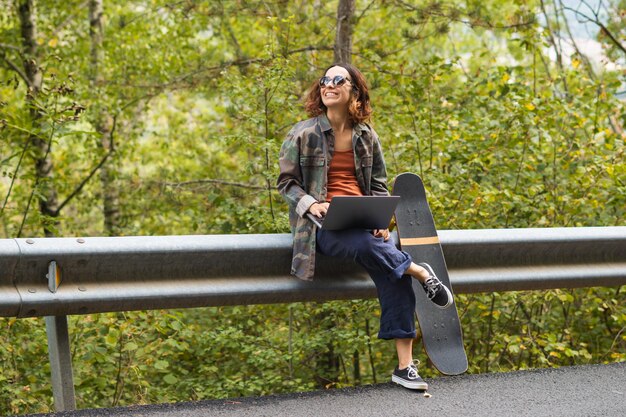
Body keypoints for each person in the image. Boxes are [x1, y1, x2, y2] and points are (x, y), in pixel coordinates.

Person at [276, 63, 453, 391]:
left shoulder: (366, 136)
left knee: (392, 274)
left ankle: (405, 367)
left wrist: (380, 221)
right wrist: (312, 204)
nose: (329, 85)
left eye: (338, 80)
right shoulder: (303, 132)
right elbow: (286, 182)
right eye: (325, 80)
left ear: (354, 92)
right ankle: (421, 273)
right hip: (323, 226)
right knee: (371, 250)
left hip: (363, 222)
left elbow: (379, 185)